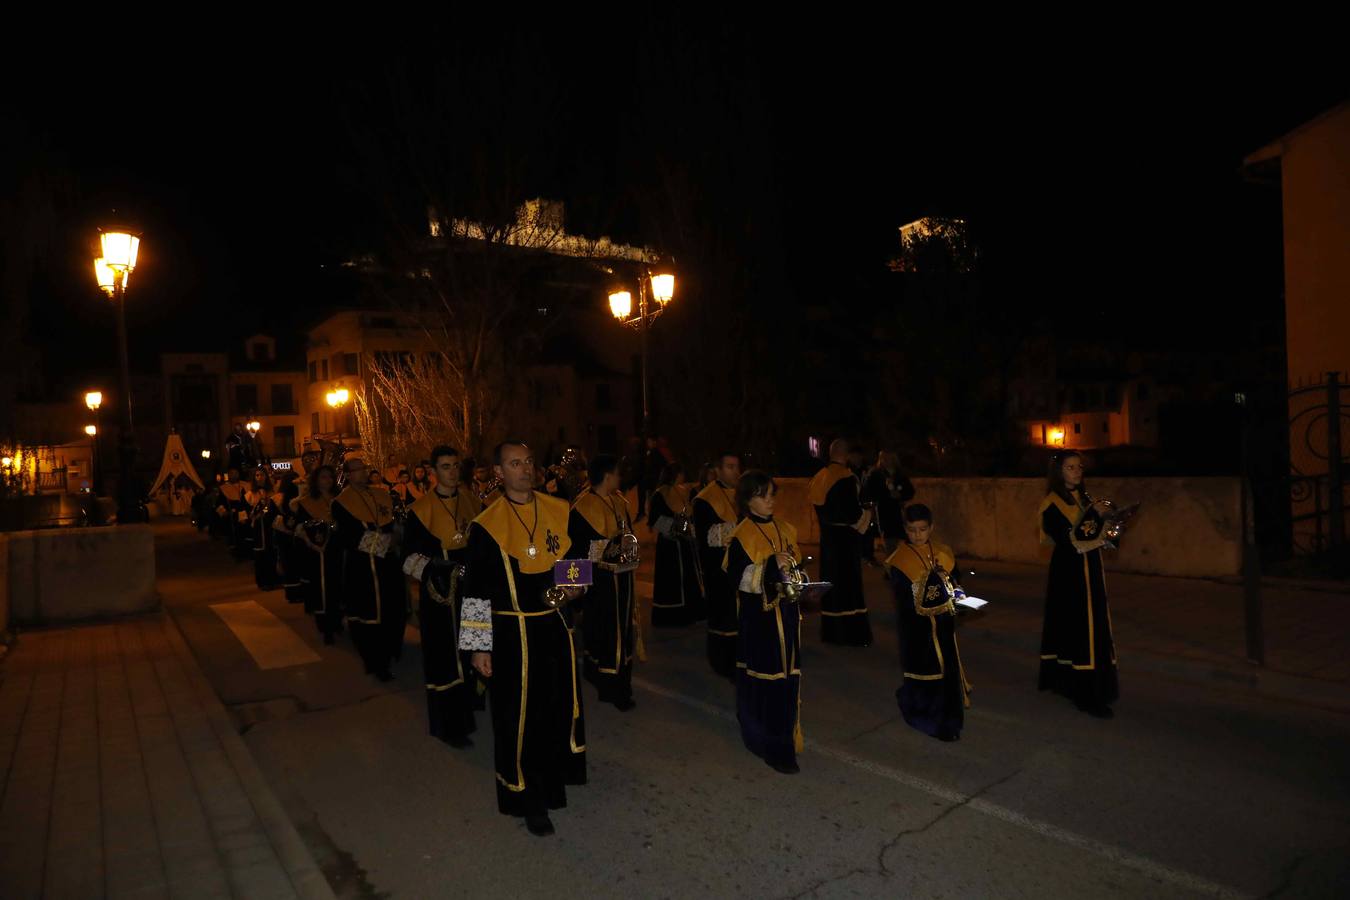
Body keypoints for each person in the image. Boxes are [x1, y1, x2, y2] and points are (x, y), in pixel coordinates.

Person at [458, 440, 586, 837]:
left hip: (553, 627)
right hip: (512, 634)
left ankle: (551, 786)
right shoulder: (486, 526)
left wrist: (575, 588)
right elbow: (475, 589)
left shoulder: (558, 509)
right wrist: (479, 646)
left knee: (554, 710)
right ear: (498, 473)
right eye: (515, 463)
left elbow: (575, 558)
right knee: (518, 720)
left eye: (529, 462)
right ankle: (525, 798)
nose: (525, 469)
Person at [402, 445, 483, 747]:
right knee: (447, 660)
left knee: (475, 648)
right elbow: (408, 558)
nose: (452, 471)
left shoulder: (473, 503)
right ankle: (451, 725)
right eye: (446, 466)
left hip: (473, 594)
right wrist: (439, 568)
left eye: (455, 465)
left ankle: (473, 705)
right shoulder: (420, 511)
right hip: (442, 597)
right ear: (433, 472)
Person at [723, 470, 803, 774]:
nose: (770, 500)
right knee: (767, 680)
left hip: (788, 616)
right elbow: (738, 578)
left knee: (788, 677)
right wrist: (771, 564)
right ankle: (769, 744)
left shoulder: (787, 529)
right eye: (762, 495)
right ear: (747, 500)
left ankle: (785, 737)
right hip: (761, 622)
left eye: (772, 494)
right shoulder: (741, 535)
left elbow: (794, 569)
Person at [1037, 451, 1119, 718]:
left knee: (1094, 625)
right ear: (1059, 471)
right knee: (1080, 628)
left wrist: (1109, 522)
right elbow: (1068, 539)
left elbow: (1093, 533)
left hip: (1090, 568)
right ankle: (1084, 693)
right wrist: (1095, 521)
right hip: (1070, 572)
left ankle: (1091, 685)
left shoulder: (1085, 497)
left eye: (1079, 466)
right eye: (1070, 467)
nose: (1077, 471)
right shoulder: (1051, 504)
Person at [886, 504, 971, 742]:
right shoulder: (900, 560)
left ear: (931, 527)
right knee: (927, 669)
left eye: (922, 529)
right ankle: (929, 717)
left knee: (947, 667)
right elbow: (903, 597)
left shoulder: (942, 552)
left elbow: (955, 580)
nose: (917, 535)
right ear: (905, 529)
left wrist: (959, 595)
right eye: (912, 530)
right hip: (917, 628)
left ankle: (951, 716)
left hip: (943, 623)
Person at [569, 454, 638, 711]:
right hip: (600, 584)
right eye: (618, 473)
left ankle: (620, 682)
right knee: (605, 633)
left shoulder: (618, 501)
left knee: (622, 632)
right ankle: (610, 686)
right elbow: (574, 549)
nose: (620, 478)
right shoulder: (582, 506)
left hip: (623, 579)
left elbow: (626, 534)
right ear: (608, 476)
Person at [332, 456, 407, 681]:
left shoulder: (381, 494)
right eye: (357, 470)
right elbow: (350, 536)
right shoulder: (340, 503)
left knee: (393, 609)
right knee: (369, 616)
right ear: (347, 474)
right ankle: (375, 662)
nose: (363, 473)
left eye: (364, 469)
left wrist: (398, 534)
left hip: (389, 564)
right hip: (363, 567)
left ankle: (391, 650)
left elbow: (392, 523)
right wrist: (387, 543)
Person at [808, 439, 874, 646]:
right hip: (845, 541)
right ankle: (852, 634)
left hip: (828, 539)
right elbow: (852, 514)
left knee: (831, 584)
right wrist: (867, 514)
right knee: (849, 585)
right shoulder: (845, 478)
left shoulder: (819, 477)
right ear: (845, 455)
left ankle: (831, 633)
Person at [693, 452, 742, 676]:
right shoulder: (705, 499)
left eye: (737, 467)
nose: (735, 471)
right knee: (723, 614)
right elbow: (707, 537)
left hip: (739, 565)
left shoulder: (743, 494)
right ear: (718, 470)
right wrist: (740, 528)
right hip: (717, 568)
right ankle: (722, 661)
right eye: (730, 467)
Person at [292, 466, 344, 643]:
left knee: (338, 585)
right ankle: (325, 626)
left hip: (337, 547)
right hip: (317, 551)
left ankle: (337, 620)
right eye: (323, 477)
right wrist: (312, 541)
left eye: (330, 477)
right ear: (316, 480)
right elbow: (300, 526)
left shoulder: (340, 499)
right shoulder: (307, 501)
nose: (327, 480)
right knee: (321, 587)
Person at [648, 463, 705, 627]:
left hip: (685, 544)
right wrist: (676, 528)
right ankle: (671, 615)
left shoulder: (684, 491)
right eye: (680, 473)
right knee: (671, 580)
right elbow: (654, 519)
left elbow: (689, 514)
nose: (683, 476)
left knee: (689, 577)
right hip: (669, 544)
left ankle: (691, 611)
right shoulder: (660, 494)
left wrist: (688, 529)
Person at [863, 450, 917, 558]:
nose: (885, 460)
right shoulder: (876, 475)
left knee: (909, 543)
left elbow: (910, 491)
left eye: (888, 458)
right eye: (883, 458)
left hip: (900, 514)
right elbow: (868, 493)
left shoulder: (900, 475)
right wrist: (885, 494)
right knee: (890, 546)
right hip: (884, 513)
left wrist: (900, 495)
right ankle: (891, 572)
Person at [246, 468, 281, 590]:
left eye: (262, 475)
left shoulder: (272, 492)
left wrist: (266, 511)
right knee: (260, 554)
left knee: (271, 553)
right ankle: (263, 581)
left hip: (269, 526)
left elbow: (272, 508)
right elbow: (248, 512)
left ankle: (273, 579)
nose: (260, 477)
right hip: (258, 527)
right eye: (257, 475)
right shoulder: (250, 494)